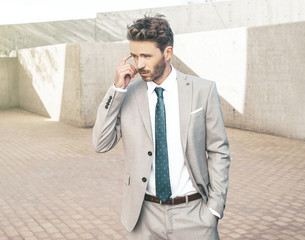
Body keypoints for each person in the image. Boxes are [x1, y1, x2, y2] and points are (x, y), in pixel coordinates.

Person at [92, 14, 231, 240]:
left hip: (194, 214)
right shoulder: (127, 95)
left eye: (146, 56)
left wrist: (214, 210)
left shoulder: (202, 91)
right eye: (135, 56)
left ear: (167, 53)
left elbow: (218, 151)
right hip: (143, 217)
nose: (139, 65)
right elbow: (100, 143)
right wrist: (117, 90)